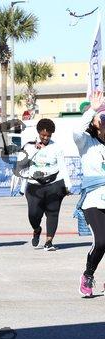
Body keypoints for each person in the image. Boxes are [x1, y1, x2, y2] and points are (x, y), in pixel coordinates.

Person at [17, 118, 71, 250]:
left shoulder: (56, 147)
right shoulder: (29, 145)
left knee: (53, 212)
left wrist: (68, 185)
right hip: (34, 185)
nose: (45, 138)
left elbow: (62, 167)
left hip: (54, 184)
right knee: (33, 214)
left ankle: (49, 242)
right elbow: (21, 163)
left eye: (48, 135)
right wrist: (35, 149)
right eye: (43, 135)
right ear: (38, 132)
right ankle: (37, 229)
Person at [73, 91, 105, 297]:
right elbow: (76, 131)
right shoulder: (86, 142)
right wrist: (93, 109)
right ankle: (88, 275)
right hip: (94, 199)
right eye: (101, 117)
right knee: (101, 242)